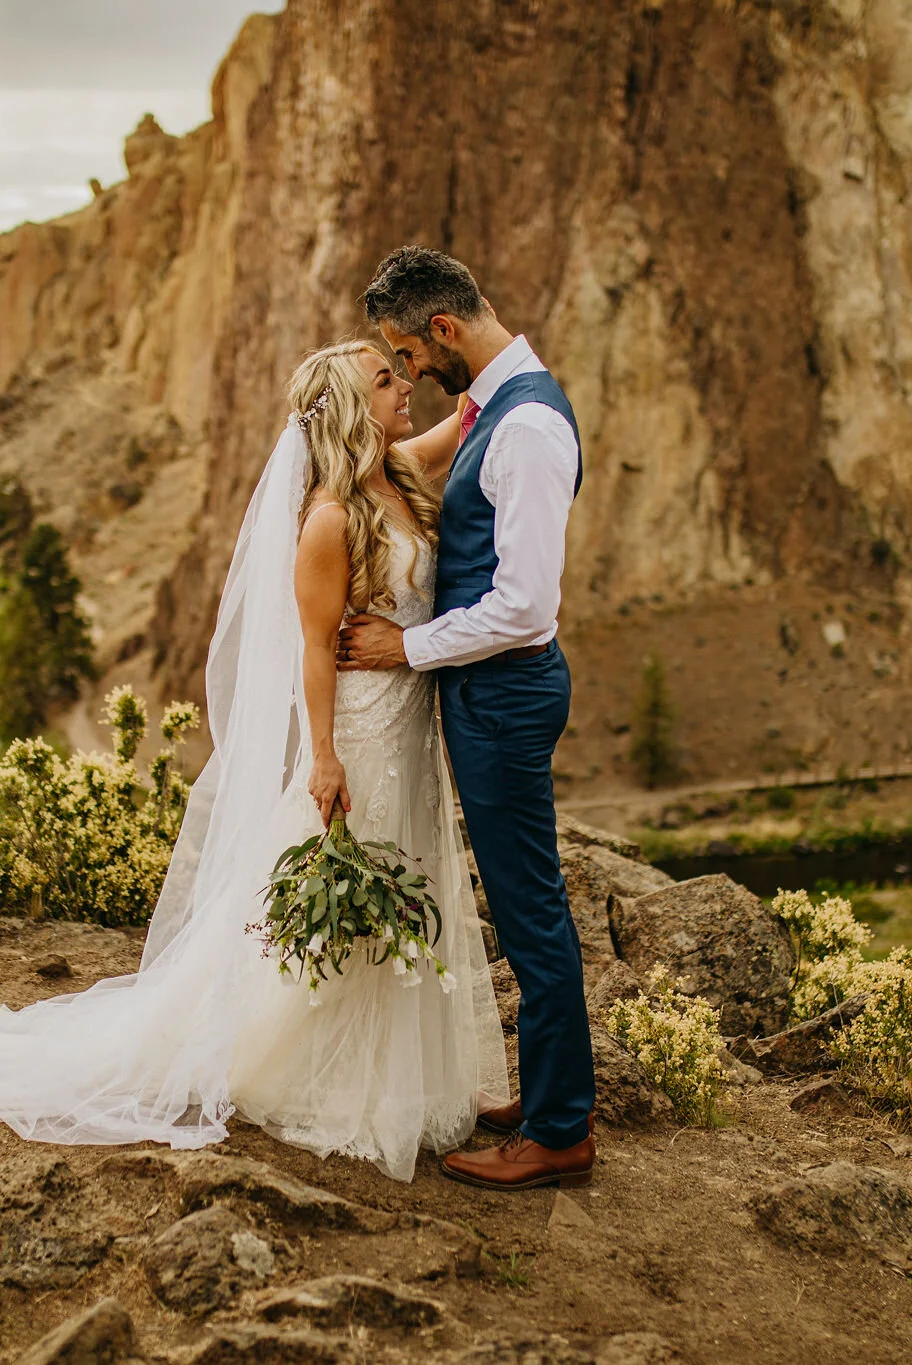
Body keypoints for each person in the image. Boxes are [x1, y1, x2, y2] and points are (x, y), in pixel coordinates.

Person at [0, 340, 506, 1183]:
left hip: (409, 729)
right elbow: (314, 653)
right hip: (361, 735)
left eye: (401, 374)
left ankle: (403, 1075)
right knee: (351, 889)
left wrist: (497, 373)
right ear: (355, 413)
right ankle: (325, 1075)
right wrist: (323, 757)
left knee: (407, 879)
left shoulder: (392, 476)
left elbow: (454, 433)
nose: (406, 387)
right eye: (387, 381)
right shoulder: (329, 519)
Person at [341, 245, 595, 1191]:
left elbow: (525, 604)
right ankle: (544, 1097)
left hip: (506, 696)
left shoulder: (524, 428)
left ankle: (561, 1128)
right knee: (524, 901)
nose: (408, 374)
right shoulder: (495, 401)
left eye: (407, 355)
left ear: (442, 330)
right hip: (493, 695)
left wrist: (402, 649)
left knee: (531, 913)